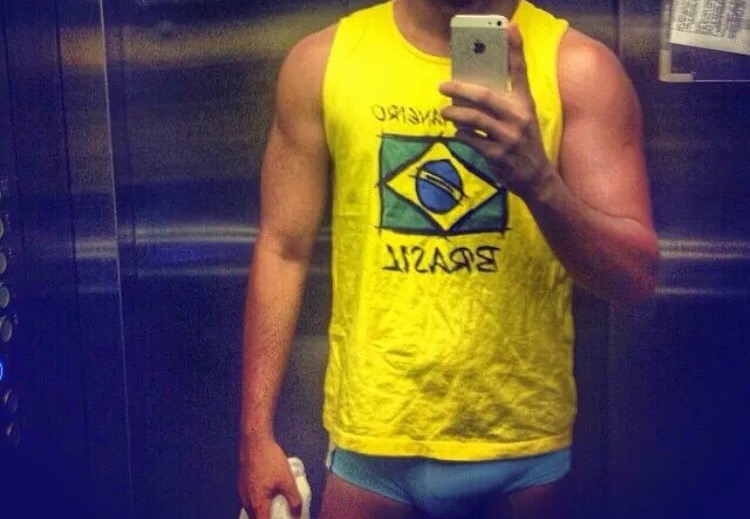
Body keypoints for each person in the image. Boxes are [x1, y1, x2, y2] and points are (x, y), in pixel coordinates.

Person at [238, 0, 659, 517]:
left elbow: (634, 280)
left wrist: (539, 181)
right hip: (371, 445)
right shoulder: (323, 61)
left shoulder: (578, 70)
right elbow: (282, 249)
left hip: (522, 450)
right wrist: (255, 435)